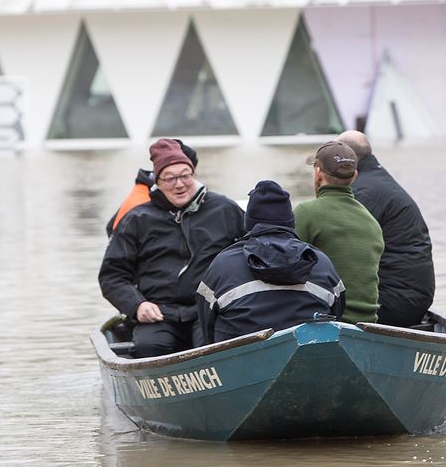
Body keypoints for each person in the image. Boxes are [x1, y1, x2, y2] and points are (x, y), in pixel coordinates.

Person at [99, 138, 245, 357]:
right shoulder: (137, 219)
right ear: (158, 181)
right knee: (149, 348)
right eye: (170, 178)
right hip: (158, 313)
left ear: (193, 174)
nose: (179, 184)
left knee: (214, 347)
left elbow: (250, 252)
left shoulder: (224, 209)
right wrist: (137, 305)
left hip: (210, 309)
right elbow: (112, 277)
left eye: (185, 175)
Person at [196, 180, 344, 344]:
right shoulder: (321, 262)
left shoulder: (223, 264)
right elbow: (337, 312)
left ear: (249, 222)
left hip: (241, 361)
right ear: (290, 221)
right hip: (307, 358)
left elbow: (206, 323)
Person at [336, 130, 436, 327]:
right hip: (412, 298)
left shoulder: (362, 194)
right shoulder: (377, 182)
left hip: (394, 302)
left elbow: (343, 252)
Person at [293, 140, 384, 324]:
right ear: (355, 176)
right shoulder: (371, 221)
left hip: (328, 322)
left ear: (318, 173)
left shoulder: (306, 212)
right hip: (368, 322)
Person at [106, 140, 198, 237]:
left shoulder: (149, 193)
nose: (180, 183)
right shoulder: (141, 207)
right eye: (172, 177)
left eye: (186, 176)